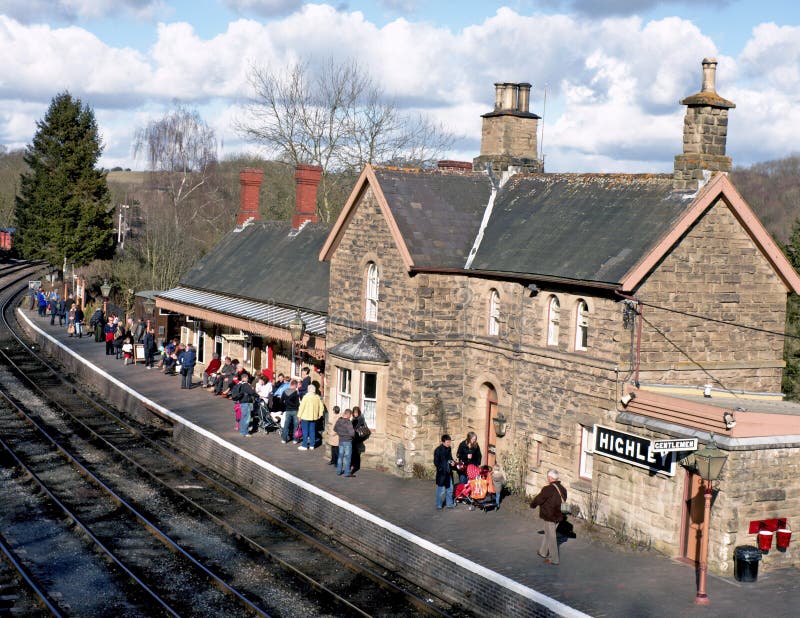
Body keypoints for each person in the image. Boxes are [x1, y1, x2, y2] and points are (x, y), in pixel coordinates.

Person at [530, 469, 568, 565]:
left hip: (550, 516)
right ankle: (543, 552)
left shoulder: (548, 489)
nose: (547, 478)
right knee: (548, 533)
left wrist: (533, 505)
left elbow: (539, 499)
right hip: (559, 515)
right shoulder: (563, 489)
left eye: (548, 477)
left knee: (551, 536)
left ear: (550, 478)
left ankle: (554, 559)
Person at [297, 383, 324, 450]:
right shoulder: (317, 397)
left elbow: (301, 407)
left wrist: (299, 416)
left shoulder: (305, 397)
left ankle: (304, 445)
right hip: (314, 417)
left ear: (308, 390)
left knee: (305, 431)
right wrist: (320, 414)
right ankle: (312, 445)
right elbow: (321, 407)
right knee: (312, 431)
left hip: (305, 417)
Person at [434, 434, 456, 509]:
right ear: (443, 442)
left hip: (449, 473)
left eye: (449, 442)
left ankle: (449, 504)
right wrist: (441, 469)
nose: (449, 443)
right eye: (447, 442)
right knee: (441, 491)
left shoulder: (449, 449)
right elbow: (436, 462)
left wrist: (452, 462)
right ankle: (439, 504)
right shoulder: (438, 450)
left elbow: (450, 458)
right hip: (442, 474)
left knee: (450, 489)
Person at [334, 408, 356, 477]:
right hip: (347, 441)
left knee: (340, 456)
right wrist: (353, 435)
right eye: (351, 415)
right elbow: (352, 433)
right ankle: (346, 473)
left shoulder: (339, 420)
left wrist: (340, 434)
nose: (351, 416)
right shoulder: (348, 422)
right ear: (348, 415)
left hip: (341, 440)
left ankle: (338, 471)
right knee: (347, 457)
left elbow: (335, 429)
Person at [280, 379, 300, 444]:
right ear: (295, 385)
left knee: (286, 425)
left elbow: (281, 401)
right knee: (295, 425)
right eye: (296, 386)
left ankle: (284, 439)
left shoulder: (284, 391)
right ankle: (295, 439)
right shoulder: (296, 392)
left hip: (288, 410)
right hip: (295, 410)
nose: (297, 387)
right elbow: (297, 403)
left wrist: (285, 405)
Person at [350, 406, 367, 473]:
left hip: (356, 438)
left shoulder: (359, 419)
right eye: (354, 413)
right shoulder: (355, 418)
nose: (355, 414)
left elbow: (354, 427)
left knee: (355, 453)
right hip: (355, 438)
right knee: (355, 452)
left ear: (358, 413)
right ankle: (354, 466)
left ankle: (355, 466)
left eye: (356, 413)